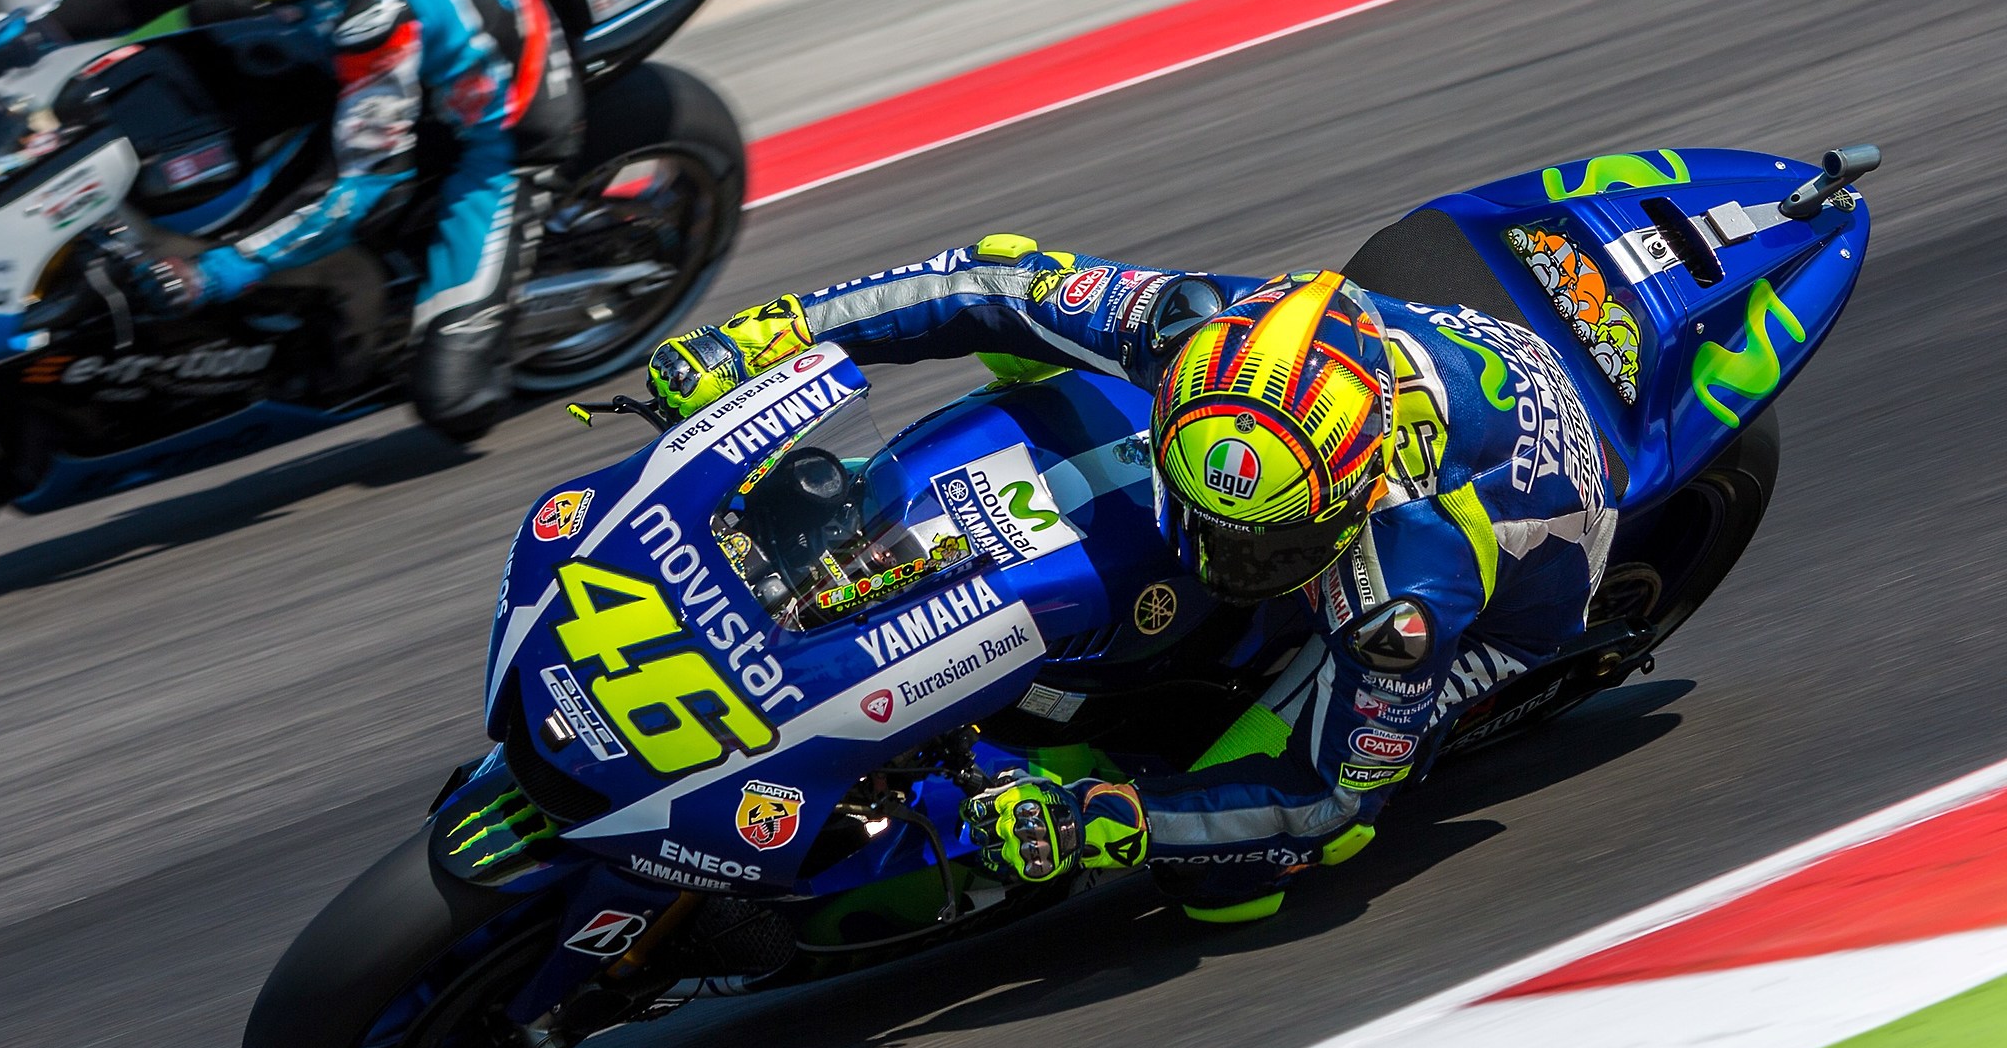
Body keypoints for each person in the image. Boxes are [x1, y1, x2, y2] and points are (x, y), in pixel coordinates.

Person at [644, 239, 1617, 920]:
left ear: (1349, 499)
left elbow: (1327, 797)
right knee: (1028, 310)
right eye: (1206, 515)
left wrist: (1103, 820)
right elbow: (990, 282)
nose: (1223, 556)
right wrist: (773, 334)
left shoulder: (1400, 594)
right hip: (1402, 356)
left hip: (1516, 590)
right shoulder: (1200, 332)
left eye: (1258, 543)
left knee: (1237, 879)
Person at [0, 0, 579, 439]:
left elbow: (362, 190)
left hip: (499, 128)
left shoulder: (372, 5)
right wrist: (19, 41)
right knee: (212, 14)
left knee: (454, 405)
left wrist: (213, 274)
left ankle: (464, 312)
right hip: (384, 63)